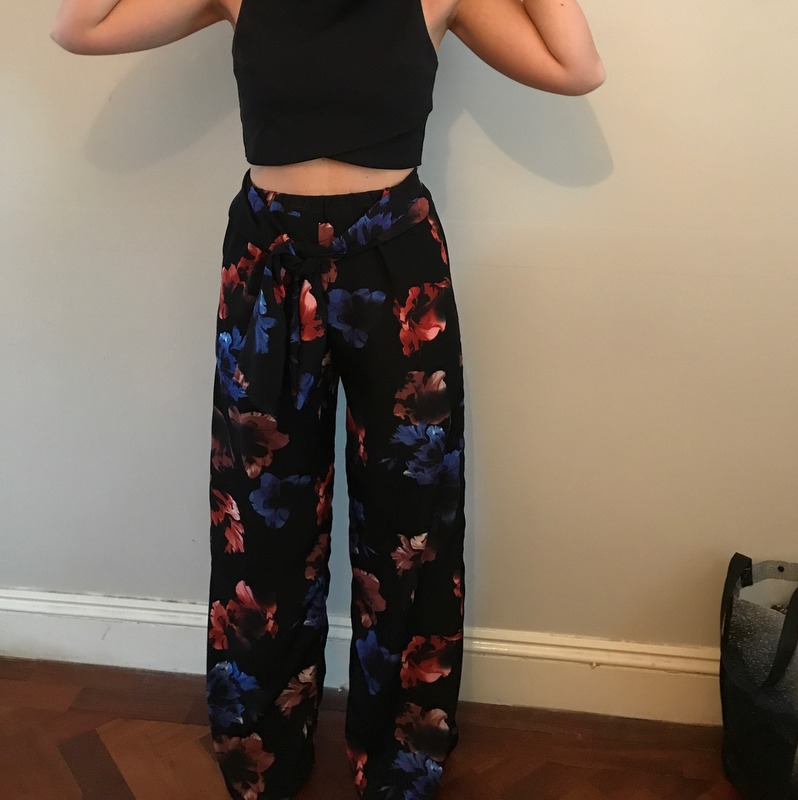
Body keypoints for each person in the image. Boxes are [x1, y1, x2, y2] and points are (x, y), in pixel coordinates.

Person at [51, 2, 604, 798]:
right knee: (260, 514)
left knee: (410, 518)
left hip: (397, 265)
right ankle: (264, 748)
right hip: (267, 261)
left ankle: (400, 754)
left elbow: (576, 68)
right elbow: (78, 28)